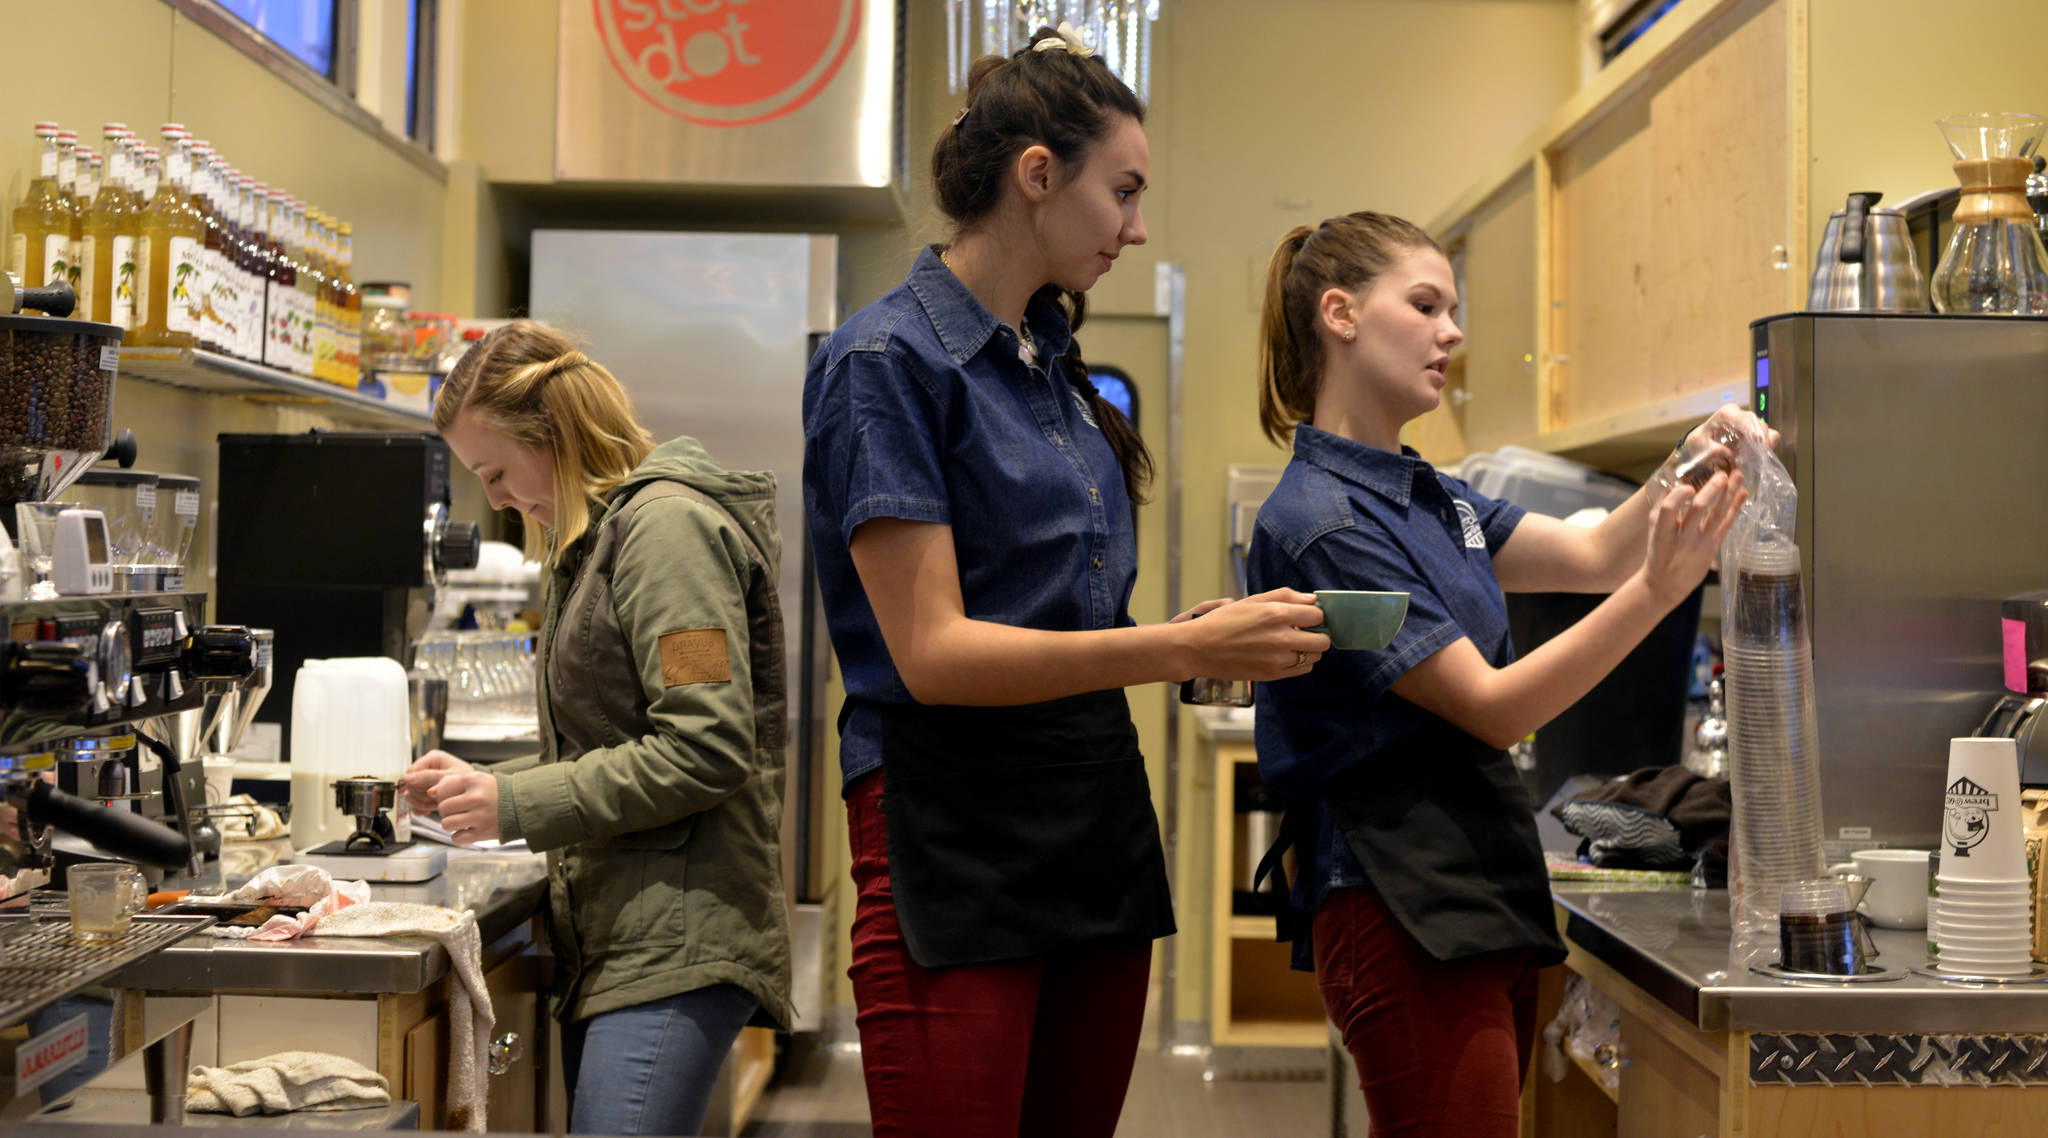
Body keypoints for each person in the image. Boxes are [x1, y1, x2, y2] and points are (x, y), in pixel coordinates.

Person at [801, 23, 1328, 1138]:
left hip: (1087, 802)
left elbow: (1053, 615)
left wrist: (1189, 633)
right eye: (1123, 193)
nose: (1138, 228)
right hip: (948, 815)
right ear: (1036, 176)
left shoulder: (1048, 358)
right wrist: (1176, 649)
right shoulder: (884, 365)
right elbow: (935, 654)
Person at [1247, 211, 1769, 1137]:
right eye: (1425, 304)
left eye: (1455, 309)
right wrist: (1660, 590)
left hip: (1468, 888)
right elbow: (1489, 709)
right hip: (1398, 900)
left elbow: (1597, 548)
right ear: (1340, 314)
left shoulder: (1430, 495)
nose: (1453, 332)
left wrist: (1695, 455)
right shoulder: (1326, 522)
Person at [401, 320, 791, 1137]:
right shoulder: (601, 541)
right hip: (630, 938)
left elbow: (705, 745)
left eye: (498, 471)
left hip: (676, 940)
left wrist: (514, 801)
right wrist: (484, 781)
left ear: (555, 434)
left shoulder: (667, 533)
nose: (498, 500)